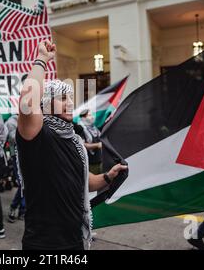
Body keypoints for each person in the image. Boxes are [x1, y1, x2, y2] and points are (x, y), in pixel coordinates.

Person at [16, 40, 127, 250]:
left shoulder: (75, 140)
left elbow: (85, 182)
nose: (69, 103)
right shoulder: (38, 134)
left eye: (70, 98)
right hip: (44, 245)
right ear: (45, 103)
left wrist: (108, 176)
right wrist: (42, 59)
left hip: (75, 241)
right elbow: (27, 103)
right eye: (61, 98)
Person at [5, 115, 25, 223]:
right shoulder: (11, 122)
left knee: (27, 184)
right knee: (23, 184)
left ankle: (21, 209)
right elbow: (13, 139)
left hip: (30, 156)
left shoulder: (33, 118)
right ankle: (15, 208)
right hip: (16, 155)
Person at [78, 109, 102, 174]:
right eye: (89, 115)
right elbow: (82, 145)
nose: (92, 117)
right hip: (91, 163)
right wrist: (97, 145)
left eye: (92, 115)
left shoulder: (93, 127)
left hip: (100, 160)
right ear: (83, 118)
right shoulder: (80, 129)